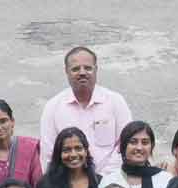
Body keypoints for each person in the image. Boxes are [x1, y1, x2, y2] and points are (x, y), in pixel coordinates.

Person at [37, 43, 133, 171]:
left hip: (112, 179)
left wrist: (105, 177)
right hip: (68, 180)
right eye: (75, 69)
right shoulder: (53, 107)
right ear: (66, 71)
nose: (82, 72)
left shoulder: (115, 102)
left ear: (96, 69)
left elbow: (126, 144)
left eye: (87, 68)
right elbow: (48, 154)